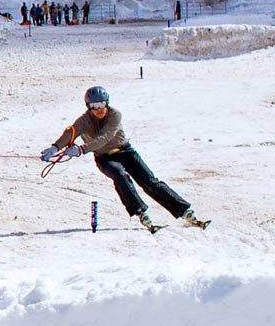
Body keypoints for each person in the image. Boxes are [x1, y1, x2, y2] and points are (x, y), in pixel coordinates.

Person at [39, 86, 209, 234]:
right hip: (104, 158)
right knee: (119, 175)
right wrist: (55, 147)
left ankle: (183, 210)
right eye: (94, 106)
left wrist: (81, 149)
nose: (99, 109)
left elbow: (104, 137)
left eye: (102, 104)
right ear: (88, 106)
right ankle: (139, 211)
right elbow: (71, 132)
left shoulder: (115, 115)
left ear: (107, 103)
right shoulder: (84, 120)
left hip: (126, 152)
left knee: (150, 182)